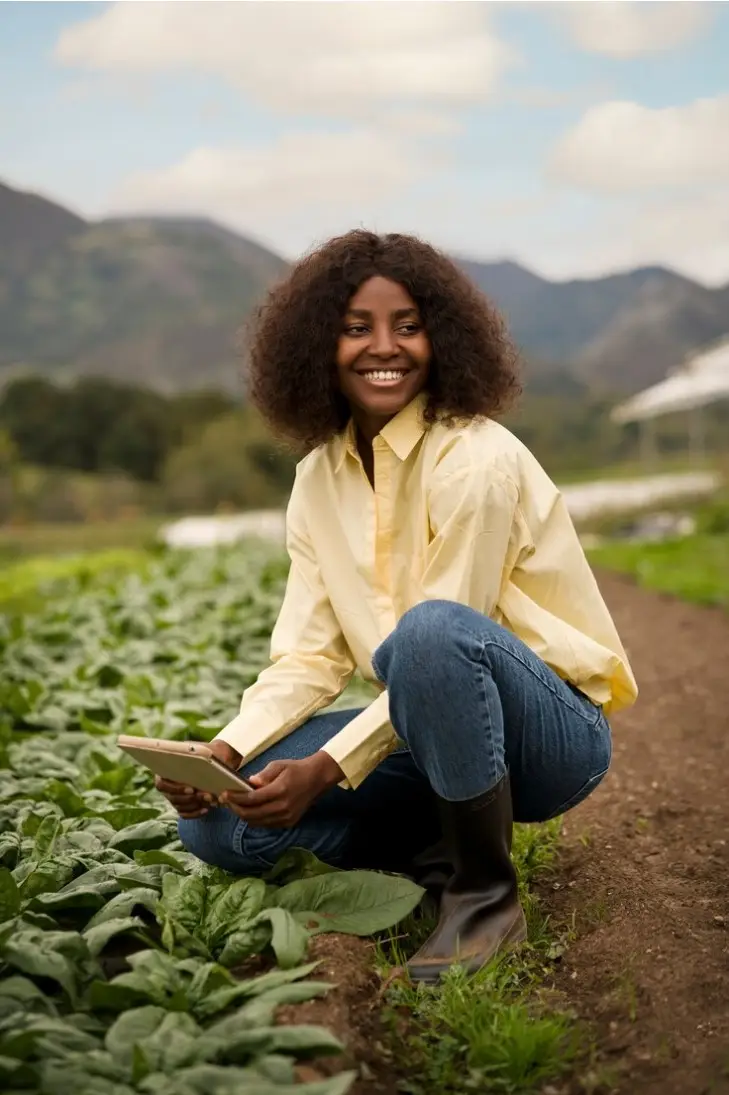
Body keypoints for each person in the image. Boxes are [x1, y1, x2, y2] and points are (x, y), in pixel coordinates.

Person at [157, 230, 638, 983]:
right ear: (320, 343)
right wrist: (227, 752)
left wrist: (324, 767)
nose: (384, 347)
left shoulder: (475, 458)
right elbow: (309, 657)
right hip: (425, 728)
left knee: (429, 632)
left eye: (407, 325)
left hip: (548, 737)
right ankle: (426, 859)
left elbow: (443, 638)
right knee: (215, 827)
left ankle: (482, 894)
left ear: (440, 338)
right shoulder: (318, 476)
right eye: (356, 328)